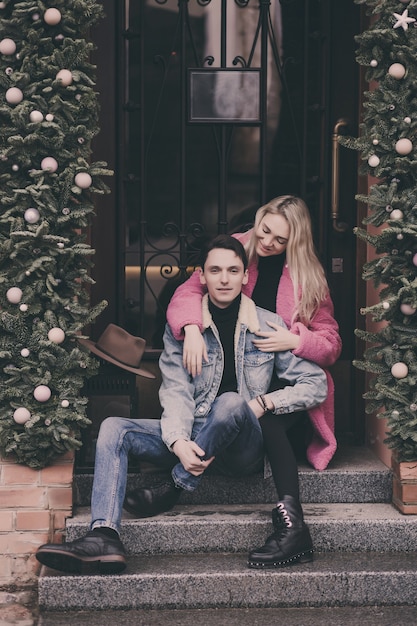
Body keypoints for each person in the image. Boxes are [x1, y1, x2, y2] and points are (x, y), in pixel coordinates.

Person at [35, 234, 327, 575]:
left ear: (245, 276)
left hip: (240, 448)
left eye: (233, 270)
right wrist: (178, 441)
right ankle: (104, 536)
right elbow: (175, 390)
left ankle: (176, 484)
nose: (224, 278)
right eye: (215, 270)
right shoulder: (183, 330)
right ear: (201, 276)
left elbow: (315, 384)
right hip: (191, 434)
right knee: (115, 427)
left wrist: (265, 402)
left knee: (232, 403)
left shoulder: (268, 325)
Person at [166, 196, 342, 566]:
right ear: (259, 221)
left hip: (290, 385)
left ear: (295, 241)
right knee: (250, 413)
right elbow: (189, 290)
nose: (269, 243)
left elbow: (331, 343)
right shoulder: (236, 251)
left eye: (281, 240)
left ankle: (294, 529)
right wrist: (192, 328)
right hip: (245, 383)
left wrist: (298, 340)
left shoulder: (309, 276)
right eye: (266, 231)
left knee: (270, 421)